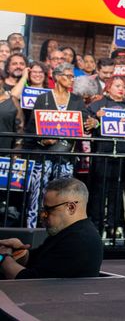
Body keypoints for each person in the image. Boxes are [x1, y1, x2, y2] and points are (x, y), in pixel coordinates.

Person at [24, 63, 93, 228]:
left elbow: (85, 120)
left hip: (66, 156)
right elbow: (32, 128)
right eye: (68, 76)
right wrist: (43, 140)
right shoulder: (44, 98)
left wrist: (93, 122)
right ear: (56, 77)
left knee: (63, 196)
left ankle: (60, 228)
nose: (71, 79)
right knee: (38, 194)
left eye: (72, 76)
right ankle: (32, 229)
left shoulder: (76, 100)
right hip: (44, 155)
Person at [0, 178, 102, 279]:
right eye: (43, 209)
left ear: (71, 208)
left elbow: (29, 280)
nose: (43, 215)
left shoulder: (80, 240)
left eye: (49, 209)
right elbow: (36, 259)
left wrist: (3, 258)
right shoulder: (67, 232)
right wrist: (19, 249)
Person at [86, 76, 125, 238]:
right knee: (99, 192)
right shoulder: (97, 105)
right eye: (117, 85)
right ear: (108, 87)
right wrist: (96, 120)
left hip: (123, 157)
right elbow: (87, 125)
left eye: (123, 86)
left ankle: (114, 225)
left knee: (116, 192)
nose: (121, 89)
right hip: (103, 155)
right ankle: (97, 225)